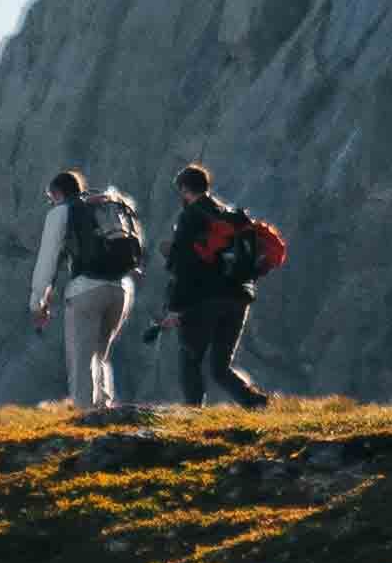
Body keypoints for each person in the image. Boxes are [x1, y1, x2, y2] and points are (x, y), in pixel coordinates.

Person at [163, 164, 285, 407]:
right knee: (220, 366)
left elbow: (184, 266)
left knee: (190, 358)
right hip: (239, 296)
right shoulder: (233, 215)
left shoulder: (191, 217)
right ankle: (256, 403)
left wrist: (174, 308)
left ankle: (194, 413)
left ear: (185, 190)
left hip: (204, 299)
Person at [33, 165, 149, 415]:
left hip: (86, 289)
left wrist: (38, 302)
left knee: (81, 356)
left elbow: (47, 260)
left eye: (50, 197)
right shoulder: (108, 208)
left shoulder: (63, 212)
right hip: (121, 289)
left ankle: (84, 413)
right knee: (101, 352)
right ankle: (104, 406)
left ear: (57, 193)